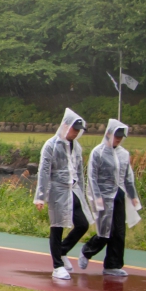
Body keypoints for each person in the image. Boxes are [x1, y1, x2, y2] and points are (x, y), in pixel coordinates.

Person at [35, 108, 93, 280]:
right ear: (66, 126)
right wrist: (40, 196)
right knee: (57, 226)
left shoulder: (77, 147)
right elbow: (44, 172)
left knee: (82, 224)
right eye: (74, 129)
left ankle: (62, 251)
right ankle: (57, 265)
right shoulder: (51, 146)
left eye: (78, 130)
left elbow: (79, 172)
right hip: (57, 190)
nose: (76, 133)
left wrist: (81, 193)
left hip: (73, 190)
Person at [80, 119, 143, 277]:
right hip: (103, 196)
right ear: (109, 134)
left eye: (121, 138)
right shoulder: (98, 152)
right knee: (105, 231)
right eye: (116, 136)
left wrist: (133, 196)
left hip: (119, 195)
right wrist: (97, 196)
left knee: (119, 232)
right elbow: (92, 177)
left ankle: (112, 265)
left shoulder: (123, 154)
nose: (118, 140)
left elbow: (128, 178)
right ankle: (87, 251)